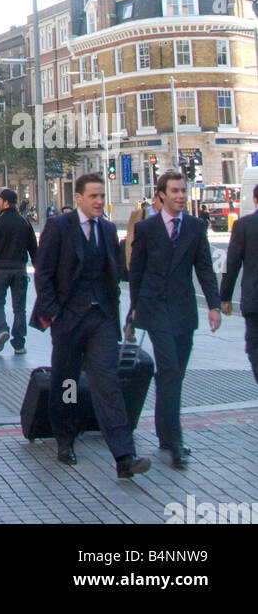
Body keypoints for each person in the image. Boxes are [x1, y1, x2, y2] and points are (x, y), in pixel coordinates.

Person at [30, 172, 150, 478]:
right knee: (67, 381)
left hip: (101, 319)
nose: (99, 201)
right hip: (68, 319)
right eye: (93, 196)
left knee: (107, 382)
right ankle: (65, 437)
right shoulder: (59, 227)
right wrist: (55, 313)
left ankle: (124, 455)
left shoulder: (108, 230)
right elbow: (42, 274)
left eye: (101, 195)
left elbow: (114, 274)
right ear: (79, 198)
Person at [129, 170, 221, 468]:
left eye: (184, 190)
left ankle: (165, 434)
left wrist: (214, 305)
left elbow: (205, 268)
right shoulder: (146, 229)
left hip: (183, 312)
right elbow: (137, 272)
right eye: (176, 191)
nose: (181, 195)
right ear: (162, 195)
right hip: (155, 309)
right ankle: (176, 441)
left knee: (174, 375)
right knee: (168, 368)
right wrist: (134, 310)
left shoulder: (195, 227)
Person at [0, 187, 37, 354]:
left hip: (0, 269)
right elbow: (34, 249)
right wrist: (38, 269)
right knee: (19, 308)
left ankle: (2, 329)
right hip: (20, 270)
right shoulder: (24, 222)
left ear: (6, 202)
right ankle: (19, 343)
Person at [220, 183, 258, 383]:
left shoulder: (244, 226)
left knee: (255, 346)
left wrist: (225, 297)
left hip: (254, 300)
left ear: (254, 200)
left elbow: (232, 263)